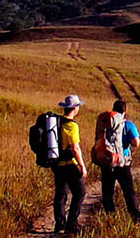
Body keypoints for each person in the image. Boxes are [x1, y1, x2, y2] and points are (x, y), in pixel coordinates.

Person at [101, 99, 140, 223]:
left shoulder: (105, 123)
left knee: (107, 193)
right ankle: (136, 219)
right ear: (124, 111)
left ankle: (110, 218)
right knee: (129, 192)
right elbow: (136, 143)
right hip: (122, 162)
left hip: (107, 162)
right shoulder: (128, 125)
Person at [53, 95, 88, 235]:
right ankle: (71, 224)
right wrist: (82, 166)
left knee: (61, 194)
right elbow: (75, 148)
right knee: (80, 192)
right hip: (69, 165)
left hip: (57, 165)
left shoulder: (57, 123)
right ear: (74, 108)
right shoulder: (71, 126)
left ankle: (59, 224)